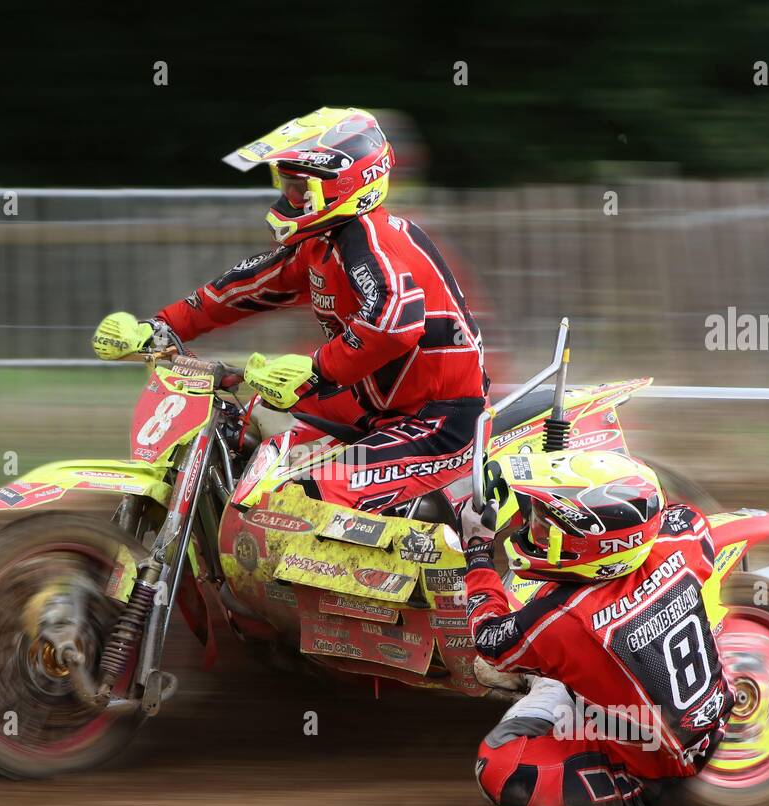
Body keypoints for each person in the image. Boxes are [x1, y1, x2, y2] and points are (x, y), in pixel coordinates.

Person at [90, 107, 487, 514]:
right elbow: (243, 288)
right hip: (371, 405)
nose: (289, 198)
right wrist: (161, 327)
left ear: (341, 185)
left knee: (309, 493)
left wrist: (316, 369)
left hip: (436, 420)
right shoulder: (321, 243)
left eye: (300, 189)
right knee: (239, 427)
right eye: (287, 185)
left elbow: (394, 324)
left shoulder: (372, 239)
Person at [458, 450, 733, 806]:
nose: (534, 532)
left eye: (544, 527)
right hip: (713, 713)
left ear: (595, 547)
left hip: (654, 767)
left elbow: (489, 641)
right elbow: (684, 517)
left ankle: (629, 785)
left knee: (499, 769)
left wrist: (476, 552)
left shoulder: (565, 620)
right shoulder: (684, 534)